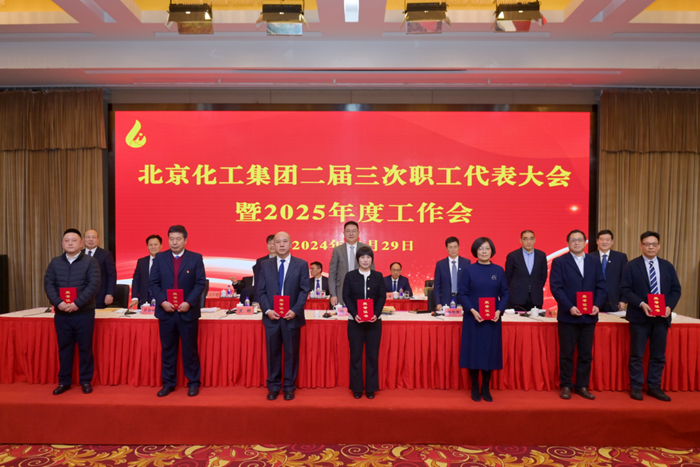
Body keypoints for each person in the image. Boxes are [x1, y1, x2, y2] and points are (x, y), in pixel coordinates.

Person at [621, 231, 682, 402]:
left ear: (659, 246)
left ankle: (654, 386)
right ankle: (636, 386)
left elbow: (676, 290)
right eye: (647, 244)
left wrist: (669, 306)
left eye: (654, 244)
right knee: (637, 354)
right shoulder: (632, 266)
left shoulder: (667, 266)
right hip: (639, 317)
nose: (650, 247)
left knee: (658, 355)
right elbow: (625, 289)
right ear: (641, 246)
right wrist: (641, 303)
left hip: (661, 318)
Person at [150, 225, 207, 397]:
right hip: (166, 312)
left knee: (190, 349)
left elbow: (200, 283)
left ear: (185, 240)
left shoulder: (195, 258)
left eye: (178, 239)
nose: (174, 242)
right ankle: (168, 383)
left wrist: (189, 302)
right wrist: (162, 301)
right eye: (171, 239)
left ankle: (193, 383)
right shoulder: (160, 258)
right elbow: (154, 283)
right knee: (168, 349)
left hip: (187, 312)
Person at [549, 229, 607, 400]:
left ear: (585, 242)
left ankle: (582, 386)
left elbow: (601, 286)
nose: (576, 243)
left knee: (586, 354)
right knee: (566, 353)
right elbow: (556, 287)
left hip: (589, 316)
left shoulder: (594, 261)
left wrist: (597, 304)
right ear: (568, 243)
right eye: (573, 240)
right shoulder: (560, 262)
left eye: (580, 240)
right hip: (568, 315)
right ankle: (566, 385)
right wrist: (569, 307)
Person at [43, 229, 101, 395]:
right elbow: (49, 284)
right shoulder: (55, 262)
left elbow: (94, 285)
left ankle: (85, 381)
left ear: (81, 243)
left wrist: (77, 303)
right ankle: (64, 381)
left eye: (74, 240)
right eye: (67, 240)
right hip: (62, 314)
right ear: (62, 243)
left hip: (83, 313)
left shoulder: (90, 262)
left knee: (85, 348)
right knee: (64, 348)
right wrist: (58, 303)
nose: (70, 243)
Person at [258, 231, 310, 401]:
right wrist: (267, 310)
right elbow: (260, 290)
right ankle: (273, 386)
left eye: (284, 241)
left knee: (291, 353)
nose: (281, 245)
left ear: (291, 244)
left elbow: (304, 290)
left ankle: (289, 386)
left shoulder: (301, 264)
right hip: (271, 317)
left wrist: (295, 310)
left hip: (291, 317)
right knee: (272, 353)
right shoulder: (265, 265)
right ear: (273, 244)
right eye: (278, 242)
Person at [458, 237, 509, 402]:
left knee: (490, 352)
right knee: (473, 352)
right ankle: (474, 386)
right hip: (473, 318)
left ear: (492, 250)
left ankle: (485, 387)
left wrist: (499, 311)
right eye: (480, 248)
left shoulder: (498, 270)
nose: (484, 251)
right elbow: (462, 293)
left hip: (492, 320)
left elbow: (505, 293)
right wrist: (472, 310)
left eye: (487, 248)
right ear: (475, 251)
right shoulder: (469, 270)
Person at [343, 246, 386, 399]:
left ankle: (370, 388)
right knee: (356, 355)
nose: (365, 260)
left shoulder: (378, 276)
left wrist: (376, 313)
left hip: (374, 322)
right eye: (362, 257)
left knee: (372, 356)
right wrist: (355, 314)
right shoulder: (350, 276)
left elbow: (382, 296)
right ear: (358, 260)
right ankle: (357, 388)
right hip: (355, 322)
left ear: (372, 260)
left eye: (368, 257)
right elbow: (346, 296)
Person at [329, 221, 372, 306]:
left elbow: (372, 272)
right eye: (348, 231)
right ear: (344, 233)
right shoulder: (337, 250)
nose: (351, 234)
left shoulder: (366, 248)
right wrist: (333, 294)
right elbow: (332, 273)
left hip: (362, 288)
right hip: (342, 289)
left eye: (354, 231)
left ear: (358, 233)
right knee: (342, 313)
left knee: (361, 312)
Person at [504, 230, 548, 311]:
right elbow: (507, 277)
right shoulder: (513, 256)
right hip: (516, 298)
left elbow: (543, 276)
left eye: (531, 239)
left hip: (535, 298)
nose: (529, 242)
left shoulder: (541, 255)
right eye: (525, 239)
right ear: (520, 240)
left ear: (535, 240)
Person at [594, 230, 628, 312]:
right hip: (594, 300)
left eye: (607, 239)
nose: (604, 242)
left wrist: (623, 300)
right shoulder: (589, 257)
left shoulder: (621, 257)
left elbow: (625, 279)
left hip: (614, 300)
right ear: (597, 241)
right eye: (602, 239)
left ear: (612, 242)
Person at [433, 236, 471, 310]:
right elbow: (437, 286)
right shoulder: (440, 264)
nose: (453, 249)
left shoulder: (466, 263)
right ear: (446, 249)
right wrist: (438, 303)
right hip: (445, 301)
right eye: (450, 247)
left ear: (459, 247)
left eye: (455, 247)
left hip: (462, 300)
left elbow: (469, 284)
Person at [84, 229, 116, 309]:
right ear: (83, 239)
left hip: (100, 296)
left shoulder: (106, 254)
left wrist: (110, 293)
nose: (91, 239)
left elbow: (112, 275)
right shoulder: (78, 254)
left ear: (98, 240)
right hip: (81, 297)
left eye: (94, 237)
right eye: (88, 237)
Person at [129, 234, 162, 308]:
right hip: (144, 300)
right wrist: (134, 297)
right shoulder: (141, 262)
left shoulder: (167, 261)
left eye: (156, 244)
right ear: (147, 247)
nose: (153, 247)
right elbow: (136, 280)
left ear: (161, 246)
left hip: (162, 301)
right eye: (150, 245)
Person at [252, 234, 277, 300]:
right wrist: (257, 300)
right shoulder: (261, 261)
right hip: (265, 297)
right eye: (270, 243)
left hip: (280, 297)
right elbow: (257, 282)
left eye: (274, 243)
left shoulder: (284, 260)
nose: (272, 245)